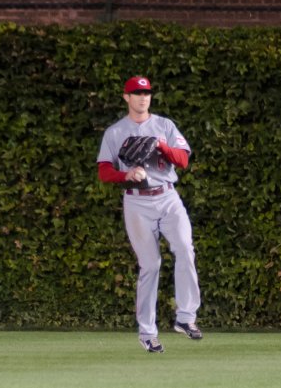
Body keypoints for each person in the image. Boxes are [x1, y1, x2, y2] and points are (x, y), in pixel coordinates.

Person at [96, 76, 202, 354]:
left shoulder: (165, 126)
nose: (143, 97)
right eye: (136, 93)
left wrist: (160, 146)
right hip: (136, 202)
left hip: (167, 196)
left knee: (185, 249)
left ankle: (186, 318)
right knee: (150, 265)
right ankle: (147, 333)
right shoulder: (115, 132)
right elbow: (104, 171)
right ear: (126, 97)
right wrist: (126, 174)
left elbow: (183, 160)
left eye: (147, 93)